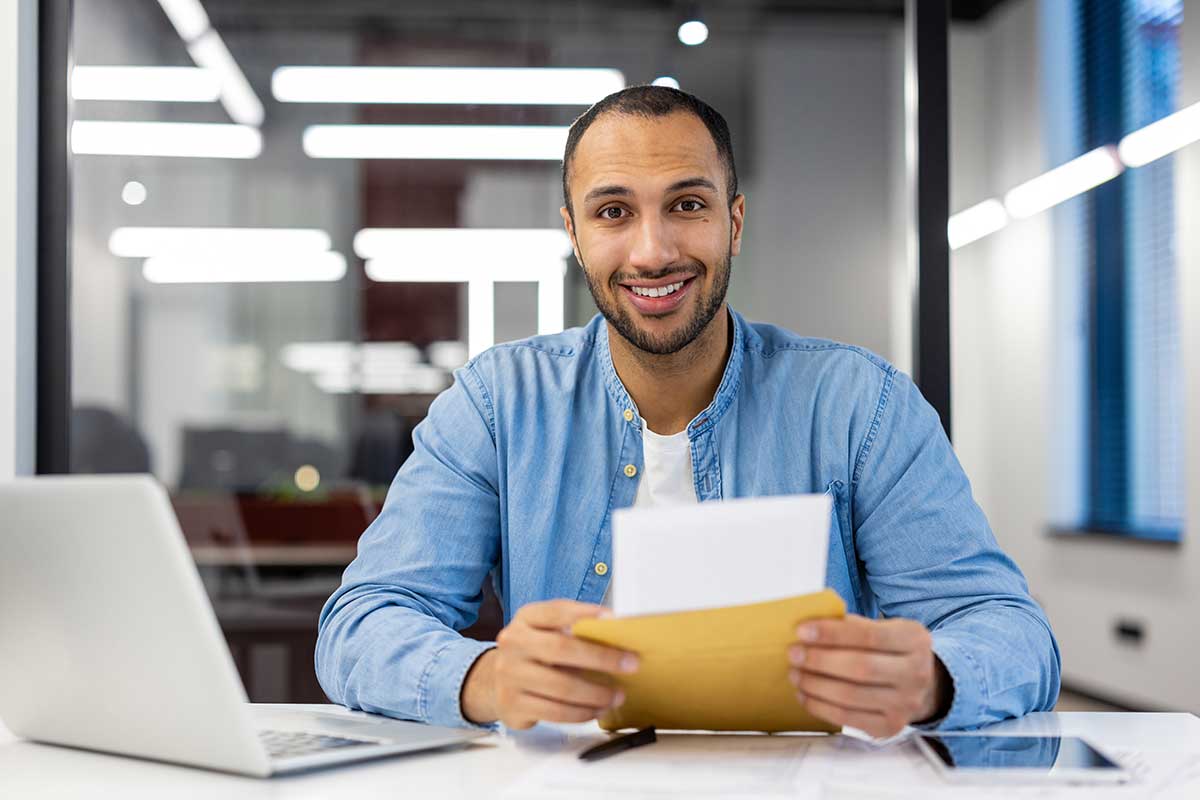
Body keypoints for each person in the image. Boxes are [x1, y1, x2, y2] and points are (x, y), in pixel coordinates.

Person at [316, 85, 1061, 738]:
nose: (652, 250)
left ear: (734, 222)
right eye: (613, 212)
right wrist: (486, 680)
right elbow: (360, 624)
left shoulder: (860, 406)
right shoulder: (496, 405)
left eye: (687, 205)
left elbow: (1011, 632)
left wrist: (933, 679)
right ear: (574, 235)